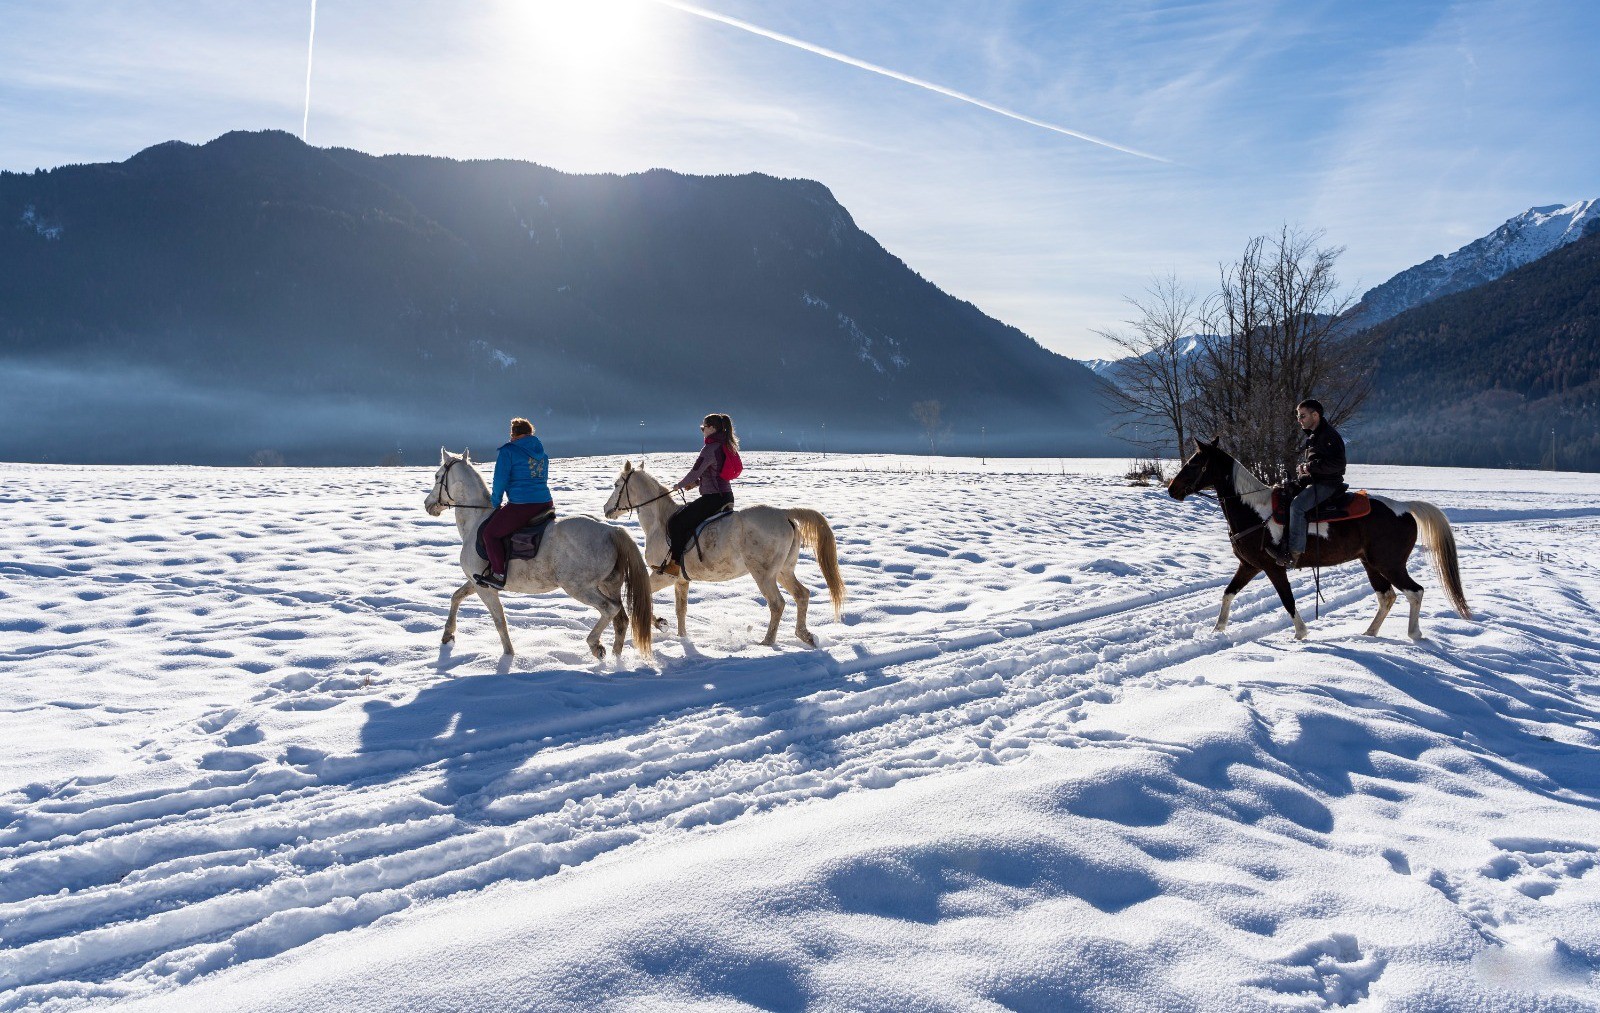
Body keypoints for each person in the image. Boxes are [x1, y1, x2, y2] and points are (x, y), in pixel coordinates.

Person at [474, 417, 554, 589]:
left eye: (511, 434)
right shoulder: (542, 453)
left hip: (522, 505)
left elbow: (500, 480)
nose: (510, 438)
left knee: (490, 534)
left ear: (515, 435)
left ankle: (498, 574)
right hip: (546, 503)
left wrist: (495, 502)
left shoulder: (508, 451)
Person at [656, 413, 739, 577]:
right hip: (726, 496)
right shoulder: (725, 445)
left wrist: (679, 485)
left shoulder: (710, 448)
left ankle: (675, 565)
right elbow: (715, 473)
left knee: (676, 522)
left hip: (713, 499)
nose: (702, 431)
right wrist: (696, 484)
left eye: (704, 428)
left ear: (712, 428)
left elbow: (695, 471)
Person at [1271, 398, 1347, 568]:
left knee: (1297, 507)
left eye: (1303, 416)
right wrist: (1299, 480)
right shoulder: (1314, 436)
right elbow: (1317, 467)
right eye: (1299, 416)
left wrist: (1309, 467)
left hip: (1328, 484)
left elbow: (1338, 464)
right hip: (1316, 482)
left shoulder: (1328, 436)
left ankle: (1293, 554)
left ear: (1315, 415)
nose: (1299, 420)